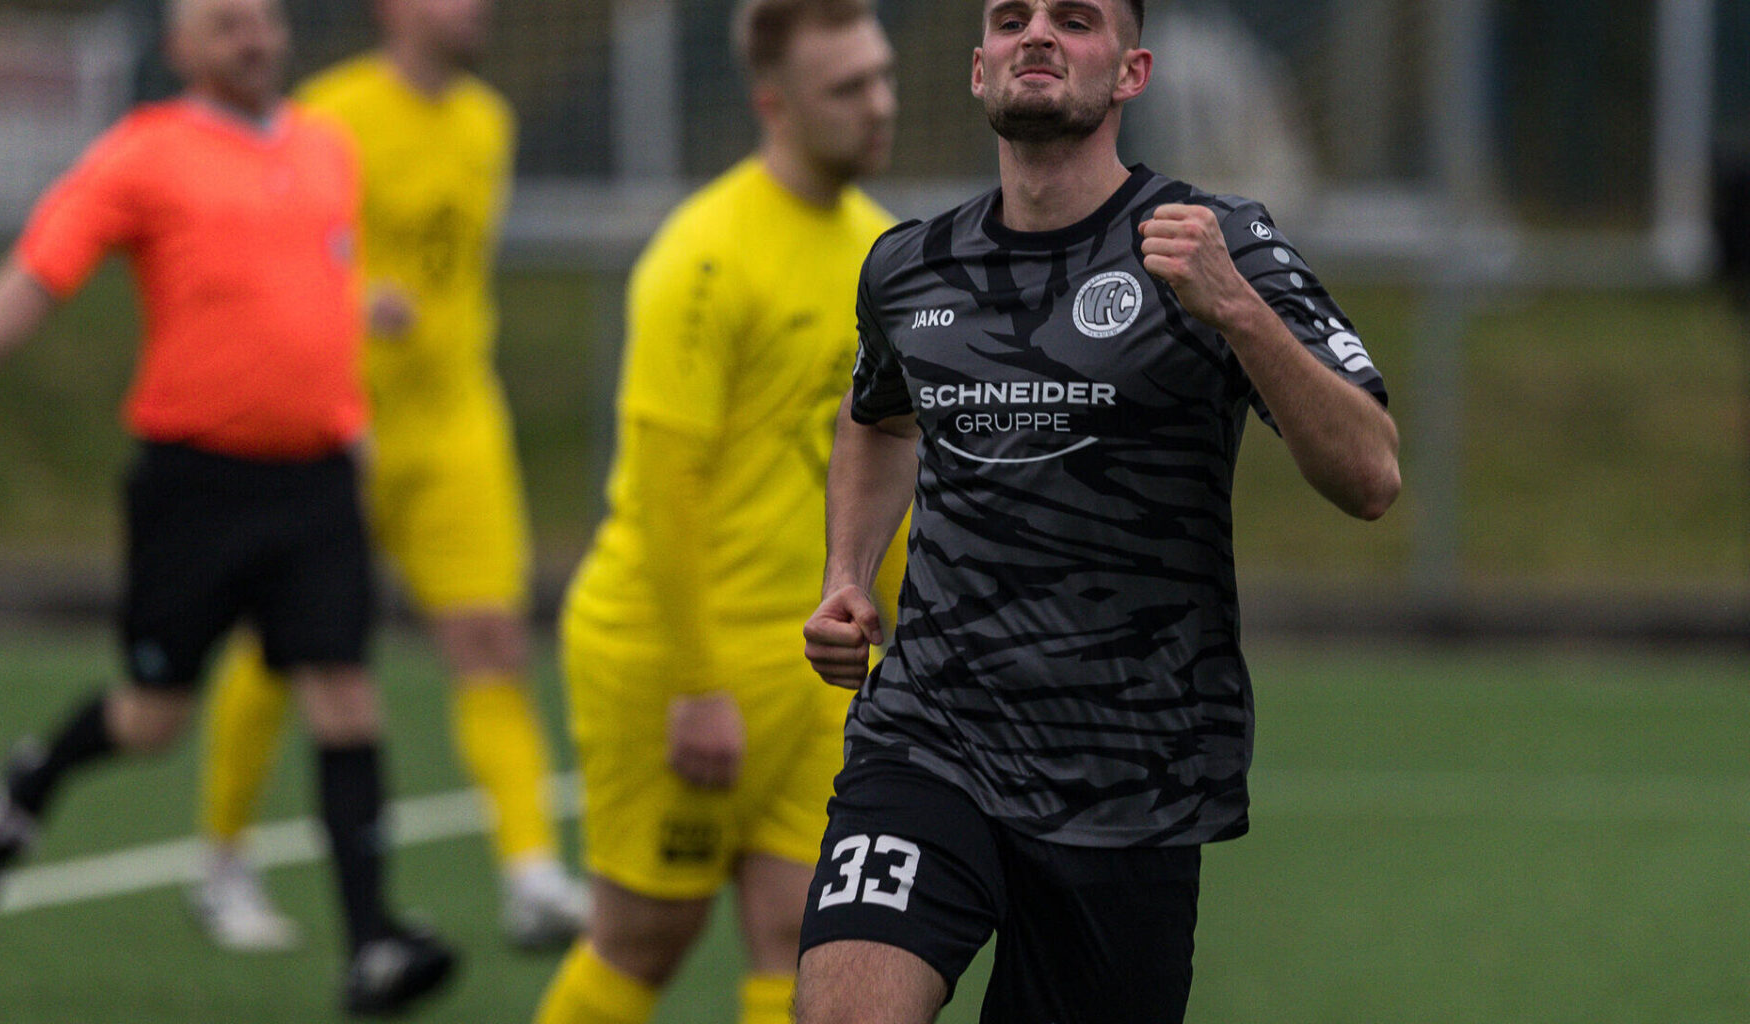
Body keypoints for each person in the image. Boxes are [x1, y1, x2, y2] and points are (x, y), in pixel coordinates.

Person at [0, 0, 458, 1015]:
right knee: (152, 717)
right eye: (225, 25)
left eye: (263, 21)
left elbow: (295, 291)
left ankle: (373, 943)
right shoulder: (144, 154)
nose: (253, 39)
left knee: (346, 692)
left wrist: (356, 359)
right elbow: (38, 273)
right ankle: (36, 773)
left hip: (314, 481)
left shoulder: (326, 145)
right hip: (194, 487)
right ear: (180, 49)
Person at [795, 1, 1401, 1022]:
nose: (1037, 34)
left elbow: (1372, 473)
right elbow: (879, 415)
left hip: (1130, 781)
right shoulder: (909, 267)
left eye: (1074, 20)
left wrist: (1239, 312)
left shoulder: (1218, 244)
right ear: (979, 67)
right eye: (1011, 18)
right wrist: (847, 576)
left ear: (1132, 72)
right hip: (932, 736)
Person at [185, 0, 587, 955]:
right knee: (284, 645)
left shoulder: (490, 121)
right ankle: (222, 862)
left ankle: (531, 873)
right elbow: (268, 250)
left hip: (455, 427)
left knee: (492, 639)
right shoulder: (330, 113)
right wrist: (356, 295)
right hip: (338, 423)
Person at [531, 2, 901, 1022]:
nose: (880, 104)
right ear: (771, 103)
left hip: (814, 671)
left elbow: (893, 480)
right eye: (847, 87)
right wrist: (697, 685)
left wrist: (903, 649)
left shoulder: (889, 256)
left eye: (881, 75)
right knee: (645, 939)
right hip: (670, 662)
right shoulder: (703, 252)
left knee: (805, 937)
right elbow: (664, 486)